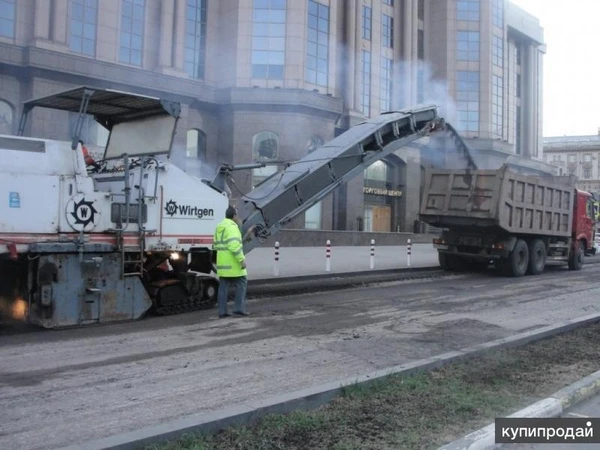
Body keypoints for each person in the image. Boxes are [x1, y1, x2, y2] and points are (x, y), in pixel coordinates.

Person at [213, 205, 249, 318]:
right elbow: (234, 246)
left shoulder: (219, 226)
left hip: (222, 264)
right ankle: (238, 309)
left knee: (223, 287)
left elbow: (215, 244)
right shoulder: (232, 227)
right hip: (233, 264)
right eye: (237, 215)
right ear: (233, 216)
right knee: (242, 282)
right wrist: (241, 260)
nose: (238, 217)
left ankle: (222, 312)